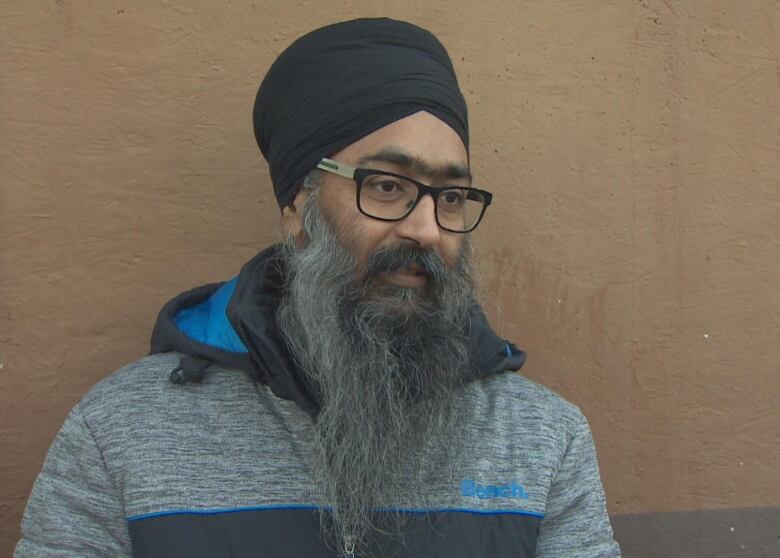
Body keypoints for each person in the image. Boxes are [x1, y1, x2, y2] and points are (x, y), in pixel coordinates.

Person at [15, 18, 621, 558]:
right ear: (297, 208)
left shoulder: (541, 441)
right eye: (386, 186)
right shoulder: (123, 433)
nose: (427, 228)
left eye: (451, 196)